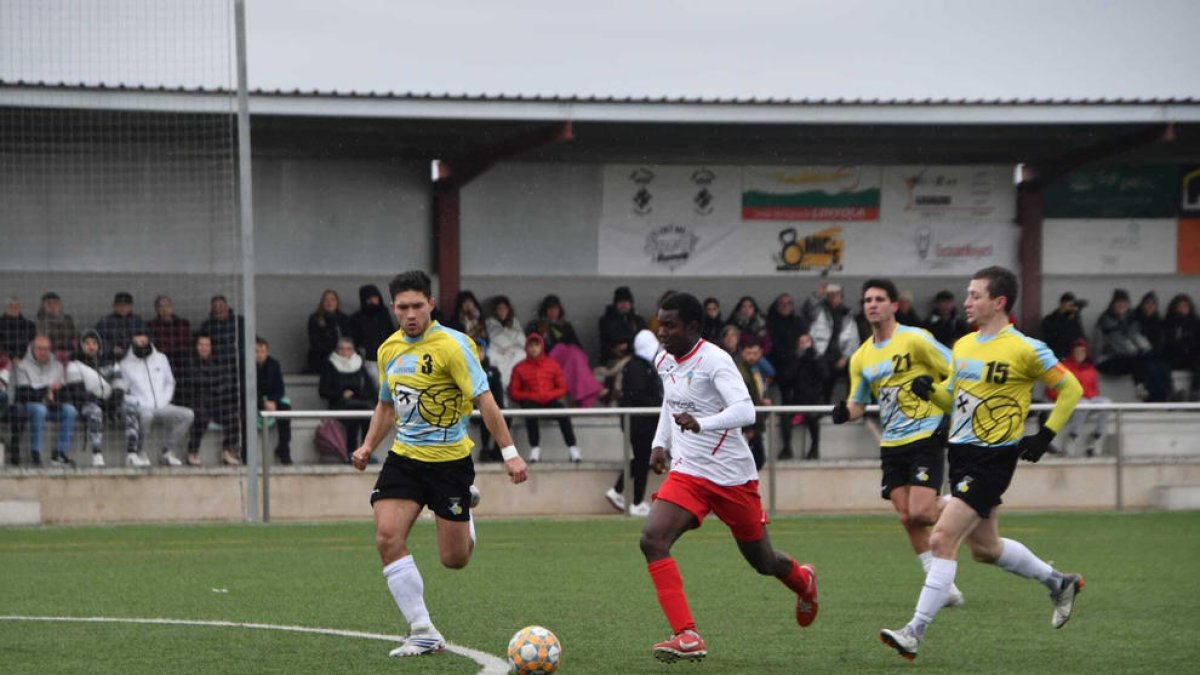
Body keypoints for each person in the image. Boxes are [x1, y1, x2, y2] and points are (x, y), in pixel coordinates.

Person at [880, 266, 1084, 661]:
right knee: (986, 550)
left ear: (999, 302)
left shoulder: (1026, 348)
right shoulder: (963, 346)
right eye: (967, 295)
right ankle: (1060, 582)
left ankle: (914, 632)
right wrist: (930, 393)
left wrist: (1046, 434)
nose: (967, 302)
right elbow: (953, 402)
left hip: (993, 460)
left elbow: (1071, 387)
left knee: (940, 539)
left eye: (975, 295)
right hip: (960, 456)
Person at [349, 270, 528, 658]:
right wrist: (367, 446)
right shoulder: (389, 350)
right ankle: (422, 630)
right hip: (405, 460)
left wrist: (509, 452)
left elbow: (485, 399)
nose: (410, 314)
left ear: (431, 304)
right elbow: (385, 405)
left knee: (454, 560)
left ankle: (467, 509)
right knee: (387, 537)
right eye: (402, 307)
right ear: (393, 308)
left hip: (449, 464)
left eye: (417, 305)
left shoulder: (454, 345)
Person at [639, 292, 819, 664]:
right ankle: (687, 635)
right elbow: (671, 401)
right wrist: (660, 442)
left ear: (692, 327)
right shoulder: (664, 358)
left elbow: (745, 410)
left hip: (732, 477)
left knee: (763, 561)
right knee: (653, 539)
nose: (663, 333)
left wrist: (702, 423)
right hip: (689, 472)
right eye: (660, 324)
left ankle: (803, 581)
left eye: (670, 325)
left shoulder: (715, 360)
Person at [831, 278, 964, 607]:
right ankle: (941, 583)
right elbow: (858, 404)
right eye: (867, 300)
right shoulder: (861, 357)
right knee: (908, 517)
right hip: (892, 443)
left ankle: (967, 506)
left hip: (926, 434)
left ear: (893, 305)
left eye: (879, 299)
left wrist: (935, 391)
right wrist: (842, 413)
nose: (872, 304)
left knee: (921, 511)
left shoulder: (916, 340)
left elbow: (957, 369)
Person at [605, 328, 661, 517]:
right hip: (640, 424)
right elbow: (638, 396)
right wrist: (659, 404)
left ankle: (618, 491)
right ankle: (636, 501)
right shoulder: (637, 368)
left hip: (643, 422)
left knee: (640, 460)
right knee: (642, 460)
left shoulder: (641, 366)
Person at [120, 329, 195, 467]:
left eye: (144, 341)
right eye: (137, 341)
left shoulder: (161, 358)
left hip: (162, 404)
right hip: (141, 406)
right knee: (146, 416)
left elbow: (170, 382)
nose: (141, 344)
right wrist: (138, 402)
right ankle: (140, 452)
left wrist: (164, 399)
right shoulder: (125, 364)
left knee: (187, 414)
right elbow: (124, 391)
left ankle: (166, 451)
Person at [508, 332, 581, 463]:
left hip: (549, 401)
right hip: (531, 402)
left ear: (541, 346)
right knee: (530, 411)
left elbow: (562, 387)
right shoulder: (519, 368)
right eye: (531, 345)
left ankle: (573, 448)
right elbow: (513, 392)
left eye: (536, 345)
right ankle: (535, 448)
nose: (534, 348)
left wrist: (548, 395)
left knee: (563, 413)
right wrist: (532, 396)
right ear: (527, 348)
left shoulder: (552, 365)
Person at [11, 334, 78, 467]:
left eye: (46, 349)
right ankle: (35, 453)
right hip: (27, 407)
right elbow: (23, 393)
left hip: (50, 406)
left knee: (70, 410)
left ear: (51, 349)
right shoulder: (22, 365)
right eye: (39, 348)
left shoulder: (57, 366)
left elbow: (63, 391)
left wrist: (55, 396)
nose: (43, 352)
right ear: (32, 349)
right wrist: (47, 391)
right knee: (39, 409)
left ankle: (59, 453)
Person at [176, 333, 241, 467]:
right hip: (195, 401)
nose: (204, 348)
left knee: (235, 416)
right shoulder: (189, 362)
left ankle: (228, 450)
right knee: (201, 417)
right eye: (201, 344)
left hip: (216, 401)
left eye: (207, 345)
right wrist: (214, 383)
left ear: (211, 347)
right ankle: (192, 451)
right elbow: (194, 382)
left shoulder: (218, 362)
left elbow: (227, 383)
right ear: (196, 346)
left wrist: (210, 384)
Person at [527, 294, 602, 408]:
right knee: (570, 354)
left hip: (570, 360)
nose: (553, 312)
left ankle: (585, 392)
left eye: (556, 309)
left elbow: (577, 346)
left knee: (575, 355)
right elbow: (534, 347)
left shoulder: (565, 326)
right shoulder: (537, 326)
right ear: (545, 310)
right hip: (550, 359)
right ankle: (589, 390)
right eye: (550, 309)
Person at [63, 329, 124, 467]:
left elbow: (120, 385)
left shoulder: (111, 362)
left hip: (110, 403)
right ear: (81, 346)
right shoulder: (74, 364)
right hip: (86, 405)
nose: (91, 346)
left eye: (94, 343)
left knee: (131, 406)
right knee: (95, 410)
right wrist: (101, 401)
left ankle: (133, 453)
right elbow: (78, 392)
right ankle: (97, 453)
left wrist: (113, 401)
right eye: (87, 343)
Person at [1047, 338, 1110, 457]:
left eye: (1083, 352)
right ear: (1072, 352)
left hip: (1088, 400)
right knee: (1084, 404)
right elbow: (1051, 390)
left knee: (1106, 402)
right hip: (1070, 401)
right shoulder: (1063, 367)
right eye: (1078, 351)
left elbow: (1095, 390)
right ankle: (1072, 436)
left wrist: (1092, 397)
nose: (1080, 354)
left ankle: (1096, 437)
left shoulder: (1089, 368)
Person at [777, 332, 829, 460]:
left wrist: (813, 359)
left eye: (807, 341)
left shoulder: (818, 357)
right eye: (801, 342)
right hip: (795, 401)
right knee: (785, 418)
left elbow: (825, 376)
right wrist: (798, 360)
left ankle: (814, 448)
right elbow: (786, 378)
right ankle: (787, 448)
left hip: (814, 401)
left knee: (813, 418)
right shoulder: (793, 358)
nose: (804, 345)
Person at [319, 336, 375, 452]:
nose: (345, 352)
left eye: (348, 349)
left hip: (361, 402)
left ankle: (366, 449)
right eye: (341, 349)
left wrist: (360, 394)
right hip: (339, 403)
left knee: (368, 413)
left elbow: (370, 389)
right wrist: (340, 394)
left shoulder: (359, 364)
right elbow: (323, 391)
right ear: (336, 350)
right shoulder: (330, 365)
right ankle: (351, 450)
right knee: (353, 416)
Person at [810, 282, 859, 402]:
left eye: (836, 295)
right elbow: (808, 309)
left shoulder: (847, 313)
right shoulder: (819, 310)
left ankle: (851, 405)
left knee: (856, 371)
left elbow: (853, 338)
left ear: (841, 297)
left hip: (841, 355)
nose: (833, 297)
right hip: (822, 354)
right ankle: (823, 409)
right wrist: (817, 294)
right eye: (830, 295)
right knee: (824, 378)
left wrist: (845, 357)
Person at [351, 284, 396, 394]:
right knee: (378, 384)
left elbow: (392, 334)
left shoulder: (384, 316)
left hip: (387, 358)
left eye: (375, 298)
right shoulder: (357, 318)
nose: (373, 301)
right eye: (369, 299)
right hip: (368, 359)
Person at [734, 336, 771, 470]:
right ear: (742, 352)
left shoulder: (755, 369)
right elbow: (741, 399)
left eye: (755, 354)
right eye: (749, 353)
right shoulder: (740, 371)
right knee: (753, 462)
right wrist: (747, 428)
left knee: (756, 461)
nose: (752, 357)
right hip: (747, 425)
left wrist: (764, 400)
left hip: (755, 422)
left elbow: (759, 390)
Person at [255, 336, 293, 465]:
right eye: (256, 351)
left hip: (272, 401)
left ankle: (283, 449)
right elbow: (246, 389)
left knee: (286, 410)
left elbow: (280, 389)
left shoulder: (274, 364)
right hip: (253, 402)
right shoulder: (246, 366)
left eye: (262, 351)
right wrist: (262, 402)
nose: (259, 354)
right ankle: (245, 453)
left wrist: (273, 401)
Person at [483, 295, 525, 401]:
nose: (502, 311)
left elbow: (522, 341)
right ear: (495, 310)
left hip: (513, 356)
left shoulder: (515, 323)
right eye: (499, 309)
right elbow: (494, 340)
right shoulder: (489, 323)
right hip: (497, 354)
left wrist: (511, 349)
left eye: (504, 309)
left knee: (521, 355)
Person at [306, 289, 354, 375]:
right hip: (323, 356)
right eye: (326, 300)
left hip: (343, 354)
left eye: (332, 300)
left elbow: (349, 338)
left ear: (337, 302)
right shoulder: (315, 318)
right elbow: (315, 341)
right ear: (322, 302)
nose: (329, 302)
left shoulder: (343, 318)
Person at [597, 285, 648, 366]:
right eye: (621, 302)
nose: (624, 305)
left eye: (626, 302)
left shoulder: (638, 321)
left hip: (636, 356)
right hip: (613, 359)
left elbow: (644, 340)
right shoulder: (606, 321)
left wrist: (629, 346)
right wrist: (615, 349)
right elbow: (606, 341)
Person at [1162, 294, 1200, 399]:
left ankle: (1195, 392)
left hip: (1191, 356)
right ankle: (1172, 394)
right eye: (1180, 306)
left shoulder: (1195, 323)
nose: (1183, 309)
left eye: (1185, 306)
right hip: (1174, 357)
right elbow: (1168, 343)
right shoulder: (1169, 323)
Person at [94, 291, 147, 362]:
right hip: (112, 359)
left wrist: (141, 341)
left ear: (131, 306)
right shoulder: (104, 322)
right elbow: (96, 340)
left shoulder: (138, 321)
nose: (123, 308)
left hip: (136, 359)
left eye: (126, 305)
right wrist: (111, 348)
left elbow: (148, 338)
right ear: (114, 306)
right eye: (120, 305)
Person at [146, 295, 193, 367]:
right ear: (156, 309)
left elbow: (188, 343)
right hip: (161, 359)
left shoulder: (183, 323)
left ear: (171, 307)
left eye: (167, 305)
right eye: (161, 306)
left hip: (182, 359)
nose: (164, 308)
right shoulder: (151, 325)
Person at [1040, 292, 1087, 359]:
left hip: (1072, 356)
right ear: (1062, 304)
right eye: (1069, 305)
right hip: (1056, 354)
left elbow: (1079, 335)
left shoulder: (1074, 319)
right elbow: (1051, 337)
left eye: (1072, 306)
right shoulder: (1050, 320)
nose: (1071, 308)